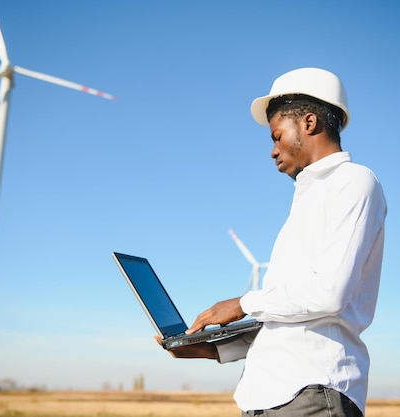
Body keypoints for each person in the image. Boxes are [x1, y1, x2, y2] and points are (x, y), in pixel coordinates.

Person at [159, 68, 387, 417]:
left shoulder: (354, 182)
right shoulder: (308, 197)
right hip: (270, 397)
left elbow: (328, 294)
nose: (272, 150)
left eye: (276, 136)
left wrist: (242, 303)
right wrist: (214, 350)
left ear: (309, 123)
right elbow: (289, 316)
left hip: (311, 393)